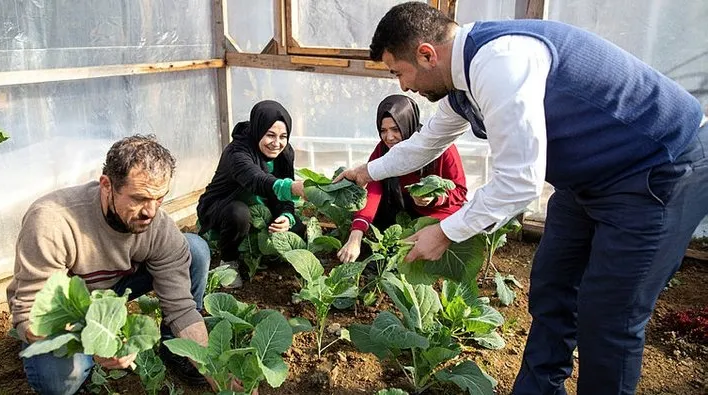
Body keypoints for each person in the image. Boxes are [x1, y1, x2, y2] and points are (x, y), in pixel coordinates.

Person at [336, 3, 708, 394]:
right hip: (591, 177)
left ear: (427, 54)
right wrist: (368, 171)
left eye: (399, 72)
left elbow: (520, 181)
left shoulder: (500, 63)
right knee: (552, 288)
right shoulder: (462, 79)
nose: (403, 87)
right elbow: (426, 142)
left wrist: (446, 231)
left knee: (609, 316)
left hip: (661, 166)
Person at [6, 135, 224, 394]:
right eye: (139, 198)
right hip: (67, 308)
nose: (150, 212)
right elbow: (32, 316)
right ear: (106, 185)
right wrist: (97, 339)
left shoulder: (158, 226)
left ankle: (174, 348)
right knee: (59, 383)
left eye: (159, 198)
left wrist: (215, 371)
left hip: (115, 290)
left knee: (194, 249)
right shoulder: (52, 221)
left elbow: (182, 309)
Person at [337, 94, 468, 263]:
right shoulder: (383, 149)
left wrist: (435, 198)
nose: (389, 137)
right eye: (383, 131)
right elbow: (373, 191)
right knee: (381, 221)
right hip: (404, 209)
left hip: (436, 213)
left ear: (408, 125)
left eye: (396, 129)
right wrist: (356, 234)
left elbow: (460, 192)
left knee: (442, 231)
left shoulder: (442, 148)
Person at [197, 100, 305, 288]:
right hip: (223, 206)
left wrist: (286, 216)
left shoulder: (285, 153)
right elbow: (257, 180)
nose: (277, 143)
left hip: (259, 207)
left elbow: (283, 197)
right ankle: (228, 261)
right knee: (239, 214)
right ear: (258, 129)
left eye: (283, 136)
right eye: (270, 135)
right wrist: (294, 188)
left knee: (297, 228)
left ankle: (260, 252)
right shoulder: (237, 152)